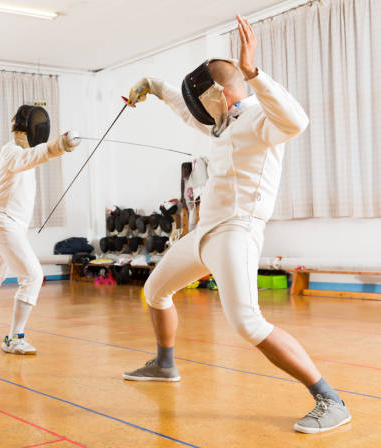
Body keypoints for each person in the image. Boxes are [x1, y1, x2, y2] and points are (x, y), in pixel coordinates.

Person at [123, 15, 350, 434]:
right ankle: (165, 364)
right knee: (155, 290)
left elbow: (297, 122)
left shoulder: (262, 119)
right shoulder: (221, 124)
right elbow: (186, 110)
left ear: (224, 95)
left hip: (237, 231)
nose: (198, 114)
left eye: (205, 102)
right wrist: (153, 86)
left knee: (247, 322)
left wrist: (255, 74)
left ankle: (329, 398)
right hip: (205, 232)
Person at [0, 105, 79, 355]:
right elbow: (28, 158)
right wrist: (58, 146)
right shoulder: (12, 152)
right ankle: (14, 337)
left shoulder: (19, 152)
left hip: (3, 222)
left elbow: (30, 158)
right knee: (33, 276)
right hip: (4, 222)